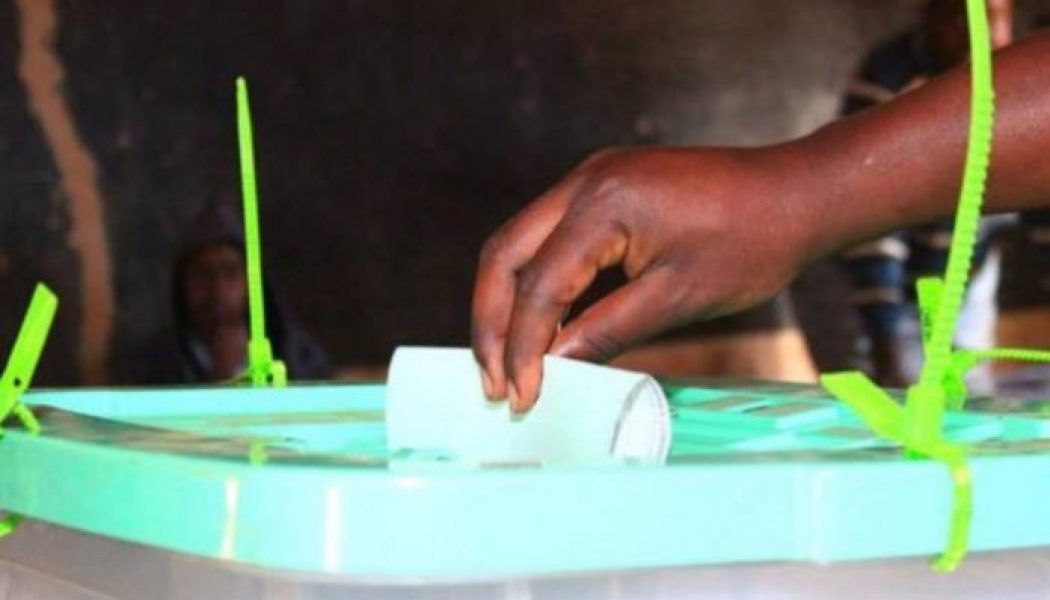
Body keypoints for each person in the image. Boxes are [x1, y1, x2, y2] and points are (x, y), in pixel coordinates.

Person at [471, 31, 1050, 414]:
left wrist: (803, 192)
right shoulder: (894, 72)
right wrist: (801, 195)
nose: (990, 25)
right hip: (865, 271)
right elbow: (876, 266)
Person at [839, 0, 1014, 388]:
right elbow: (868, 224)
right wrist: (886, 350)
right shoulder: (890, 82)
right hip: (886, 287)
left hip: (965, 274)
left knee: (967, 394)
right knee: (890, 395)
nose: (979, 33)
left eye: (995, 18)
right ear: (928, 14)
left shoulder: (1014, 80)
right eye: (961, 16)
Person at [118, 204, 331, 384]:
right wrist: (221, 376)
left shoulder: (299, 356)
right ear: (181, 284)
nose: (217, 290)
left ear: (252, 281)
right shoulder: (150, 366)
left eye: (230, 273)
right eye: (202, 274)